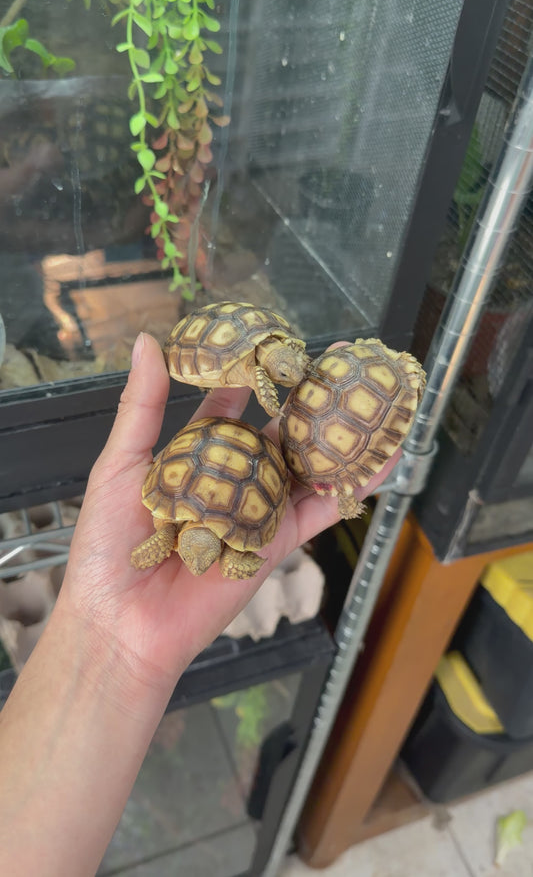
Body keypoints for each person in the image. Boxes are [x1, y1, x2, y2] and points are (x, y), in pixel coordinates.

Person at [0, 332, 399, 876]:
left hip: (244, 461)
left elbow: (230, 543)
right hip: (244, 470)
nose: (198, 561)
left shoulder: (184, 523)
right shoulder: (173, 528)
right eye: (198, 551)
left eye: (203, 552)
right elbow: (222, 541)